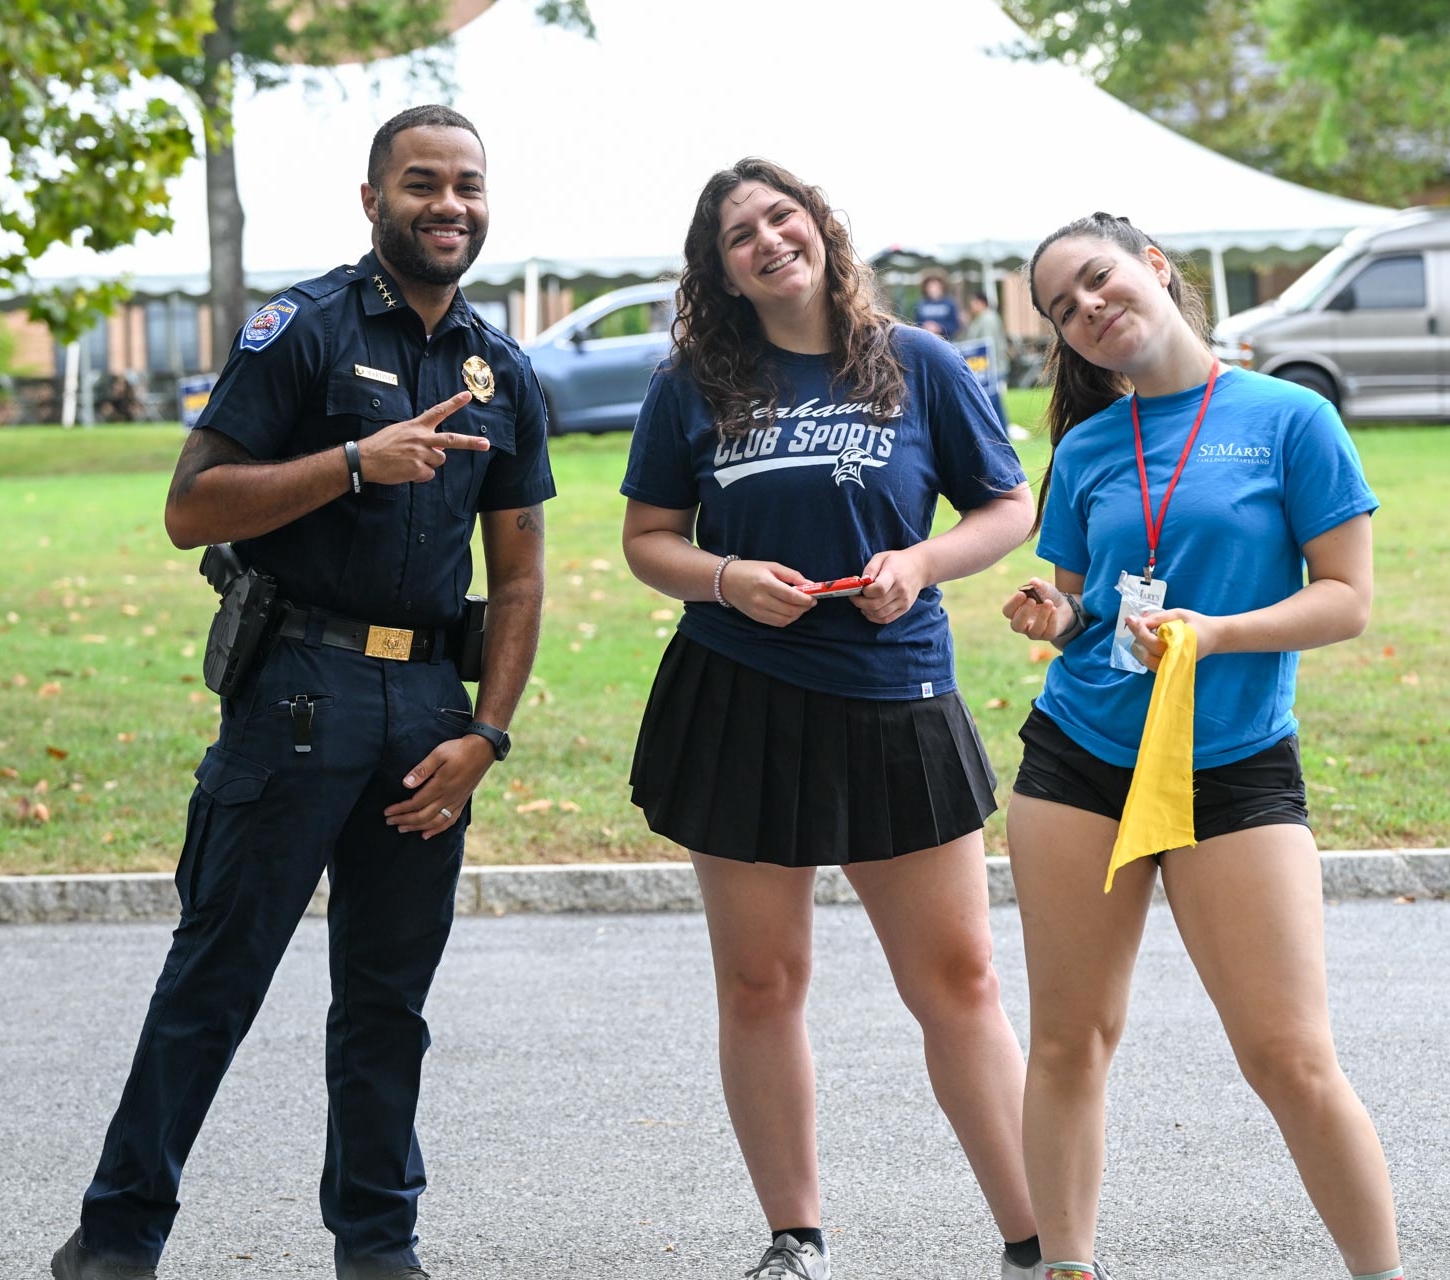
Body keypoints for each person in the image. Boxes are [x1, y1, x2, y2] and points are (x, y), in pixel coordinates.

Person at [50, 105, 554, 1280]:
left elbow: (521, 579)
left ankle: (379, 1247)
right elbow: (191, 508)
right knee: (213, 982)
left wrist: (489, 730)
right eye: (421, 182)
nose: (449, 204)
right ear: (371, 199)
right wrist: (350, 464)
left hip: (430, 713)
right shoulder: (304, 329)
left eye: (468, 185)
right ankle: (116, 1241)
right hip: (298, 694)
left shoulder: (502, 369)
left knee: (387, 1005)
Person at [621, 158, 1043, 1280]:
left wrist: (923, 559)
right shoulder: (692, 382)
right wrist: (722, 578)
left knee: (957, 979)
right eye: (737, 234)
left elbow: (1009, 502)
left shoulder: (915, 362)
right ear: (718, 270)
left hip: (894, 693)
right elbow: (648, 536)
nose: (767, 239)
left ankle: (1039, 1238)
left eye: (781, 216)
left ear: (819, 227)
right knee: (761, 981)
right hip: (737, 697)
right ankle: (794, 1238)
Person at [1001, 211, 1402, 1280]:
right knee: (1067, 1041)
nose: (1085, 309)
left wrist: (1220, 632)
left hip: (1231, 760)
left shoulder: (1289, 417)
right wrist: (1058, 612)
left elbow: (1347, 599)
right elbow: (1088, 602)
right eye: (1060, 308)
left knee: (1288, 1054)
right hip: (1080, 756)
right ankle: (1068, 1267)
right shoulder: (1085, 445)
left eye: (1094, 279)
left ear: (1153, 266)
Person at [965, 289, 1011, 431]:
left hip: (993, 367)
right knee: (994, 399)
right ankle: (1001, 428)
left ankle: (999, 428)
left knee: (991, 399)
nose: (971, 306)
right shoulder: (983, 318)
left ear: (981, 302)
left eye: (973, 302)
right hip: (989, 367)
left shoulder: (987, 318)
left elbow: (986, 344)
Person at [912, 272, 962, 339]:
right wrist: (925, 327)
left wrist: (939, 328)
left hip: (946, 341)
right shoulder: (920, 304)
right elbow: (915, 324)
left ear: (942, 287)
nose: (933, 289)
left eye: (936, 286)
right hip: (925, 340)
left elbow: (955, 325)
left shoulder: (949, 303)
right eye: (930, 286)